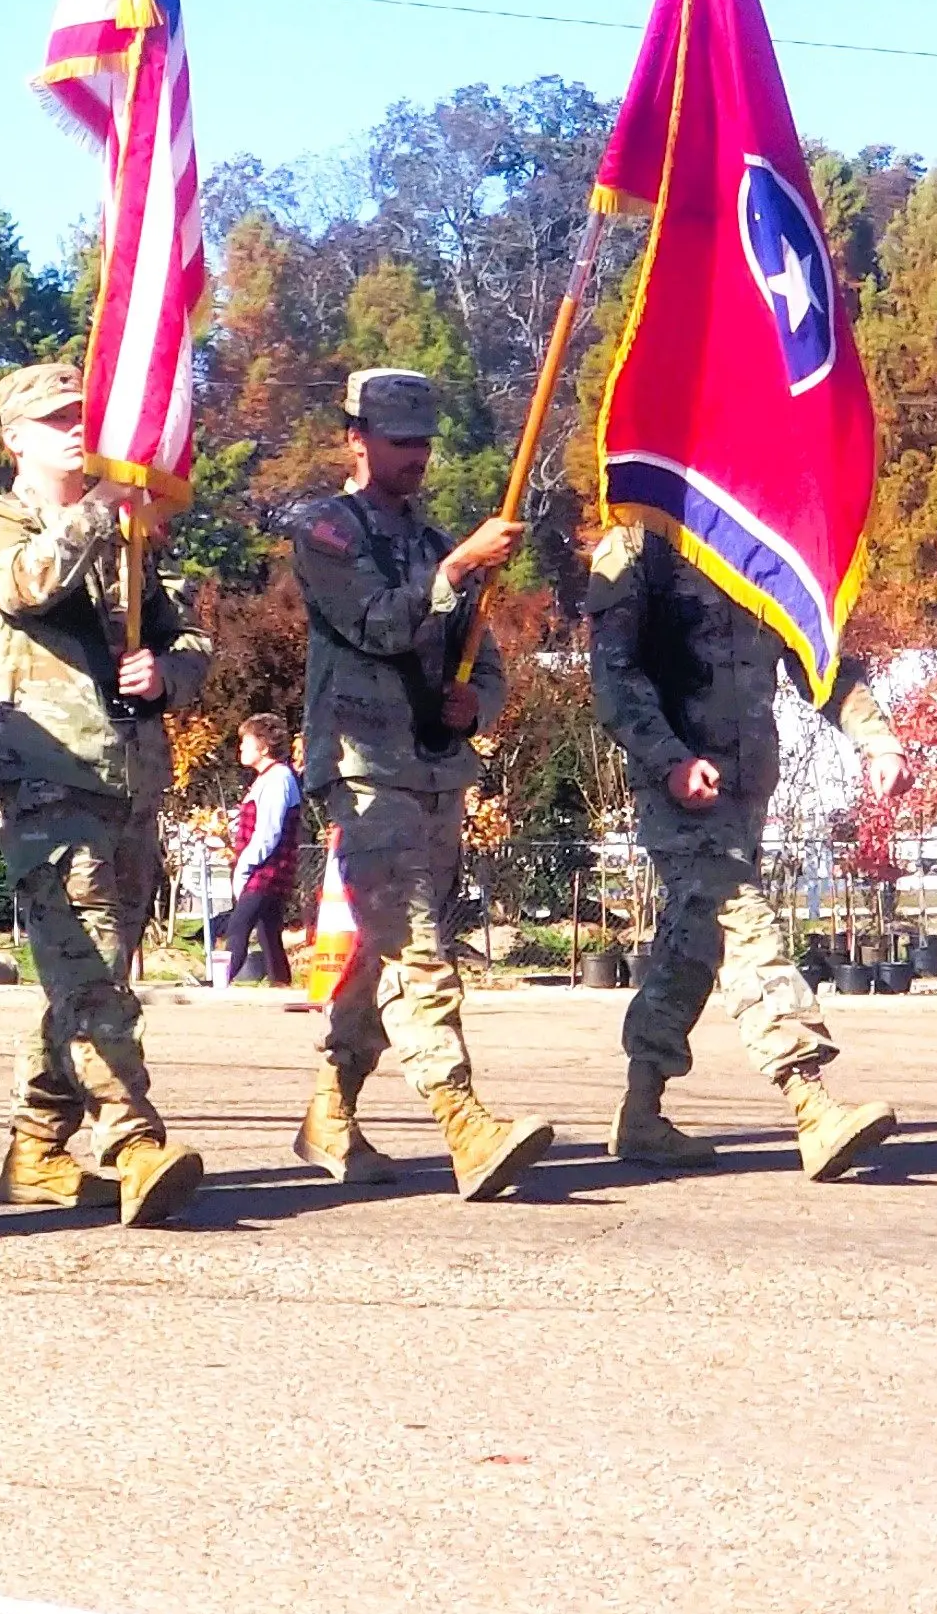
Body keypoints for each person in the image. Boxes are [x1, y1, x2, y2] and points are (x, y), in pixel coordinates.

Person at [0, 360, 213, 1224]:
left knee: (82, 976)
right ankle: (133, 1140)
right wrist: (102, 507)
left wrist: (167, 672)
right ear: (14, 439)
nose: (77, 429)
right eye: (57, 419)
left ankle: (34, 1146)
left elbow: (193, 640)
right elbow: (29, 584)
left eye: (84, 415)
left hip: (128, 779)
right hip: (46, 778)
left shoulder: (130, 538)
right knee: (94, 978)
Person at [286, 366, 549, 1201]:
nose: (417, 457)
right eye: (401, 441)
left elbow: (489, 659)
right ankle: (461, 1119)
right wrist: (460, 566)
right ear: (357, 439)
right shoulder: (326, 531)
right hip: (365, 765)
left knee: (376, 950)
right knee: (416, 947)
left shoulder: (435, 542)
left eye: (425, 442)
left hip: (435, 767)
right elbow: (376, 623)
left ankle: (331, 1108)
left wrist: (478, 706)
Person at [586, 525, 904, 1180]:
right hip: (676, 782)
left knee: (694, 943)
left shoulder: (755, 541)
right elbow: (615, 678)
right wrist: (671, 760)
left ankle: (641, 1110)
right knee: (742, 922)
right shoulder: (638, 547)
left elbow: (819, 661)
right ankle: (810, 1101)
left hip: (745, 786)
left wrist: (877, 740)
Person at [213, 715, 302, 988]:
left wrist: (245, 867)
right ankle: (281, 986)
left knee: (239, 926)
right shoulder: (268, 779)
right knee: (268, 932)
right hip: (269, 869)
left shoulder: (278, 778)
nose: (240, 748)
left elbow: (268, 832)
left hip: (267, 870)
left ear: (263, 746)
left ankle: (219, 983)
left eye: (246, 742)